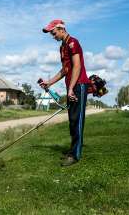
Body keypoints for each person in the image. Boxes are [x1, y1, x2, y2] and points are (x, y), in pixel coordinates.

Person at [39, 19, 91, 167]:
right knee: (72, 120)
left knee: (78, 120)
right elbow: (65, 70)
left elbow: (77, 66)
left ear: (61, 29)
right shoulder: (62, 47)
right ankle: (73, 149)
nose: (52, 36)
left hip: (79, 85)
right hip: (72, 86)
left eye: (53, 33)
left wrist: (71, 88)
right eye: (51, 34)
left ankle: (75, 155)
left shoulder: (73, 42)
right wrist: (49, 82)